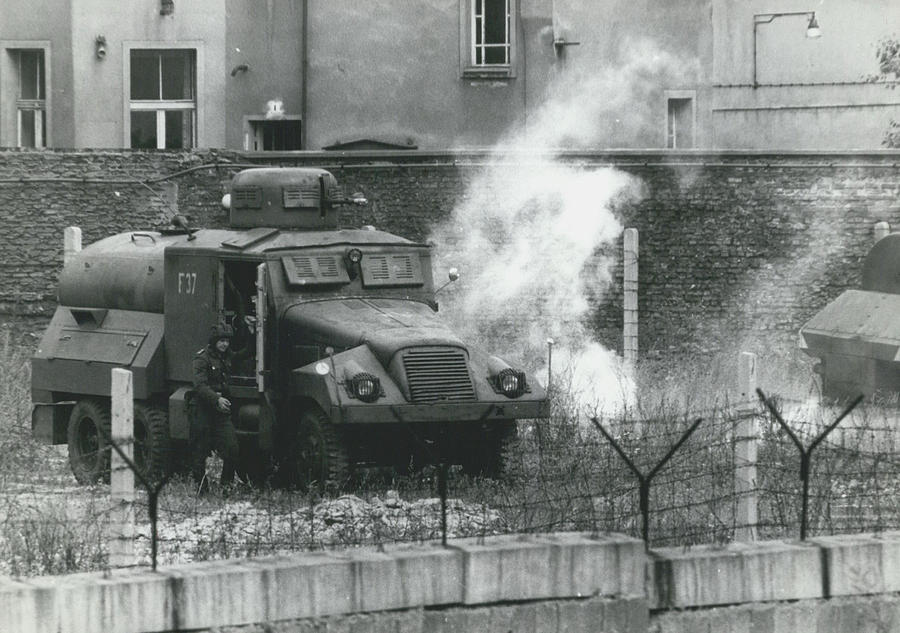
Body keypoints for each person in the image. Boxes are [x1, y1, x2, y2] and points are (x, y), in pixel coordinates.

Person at [188, 323, 247, 493]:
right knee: (199, 452)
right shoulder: (202, 358)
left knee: (232, 449)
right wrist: (217, 399)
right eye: (221, 341)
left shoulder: (226, 356)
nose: (225, 344)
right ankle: (202, 490)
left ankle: (226, 487)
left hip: (220, 412)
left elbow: (245, 353)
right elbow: (199, 385)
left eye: (227, 341)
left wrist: (251, 331)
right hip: (202, 409)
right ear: (214, 342)